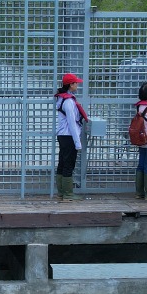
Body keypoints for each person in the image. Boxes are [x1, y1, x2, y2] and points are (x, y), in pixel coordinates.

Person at [54, 73, 87, 202]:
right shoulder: (68, 101)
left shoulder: (62, 99)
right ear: (70, 85)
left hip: (63, 135)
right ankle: (68, 194)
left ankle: (61, 193)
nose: (77, 85)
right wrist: (77, 142)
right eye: (75, 83)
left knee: (62, 163)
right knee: (68, 164)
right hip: (69, 136)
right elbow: (72, 123)